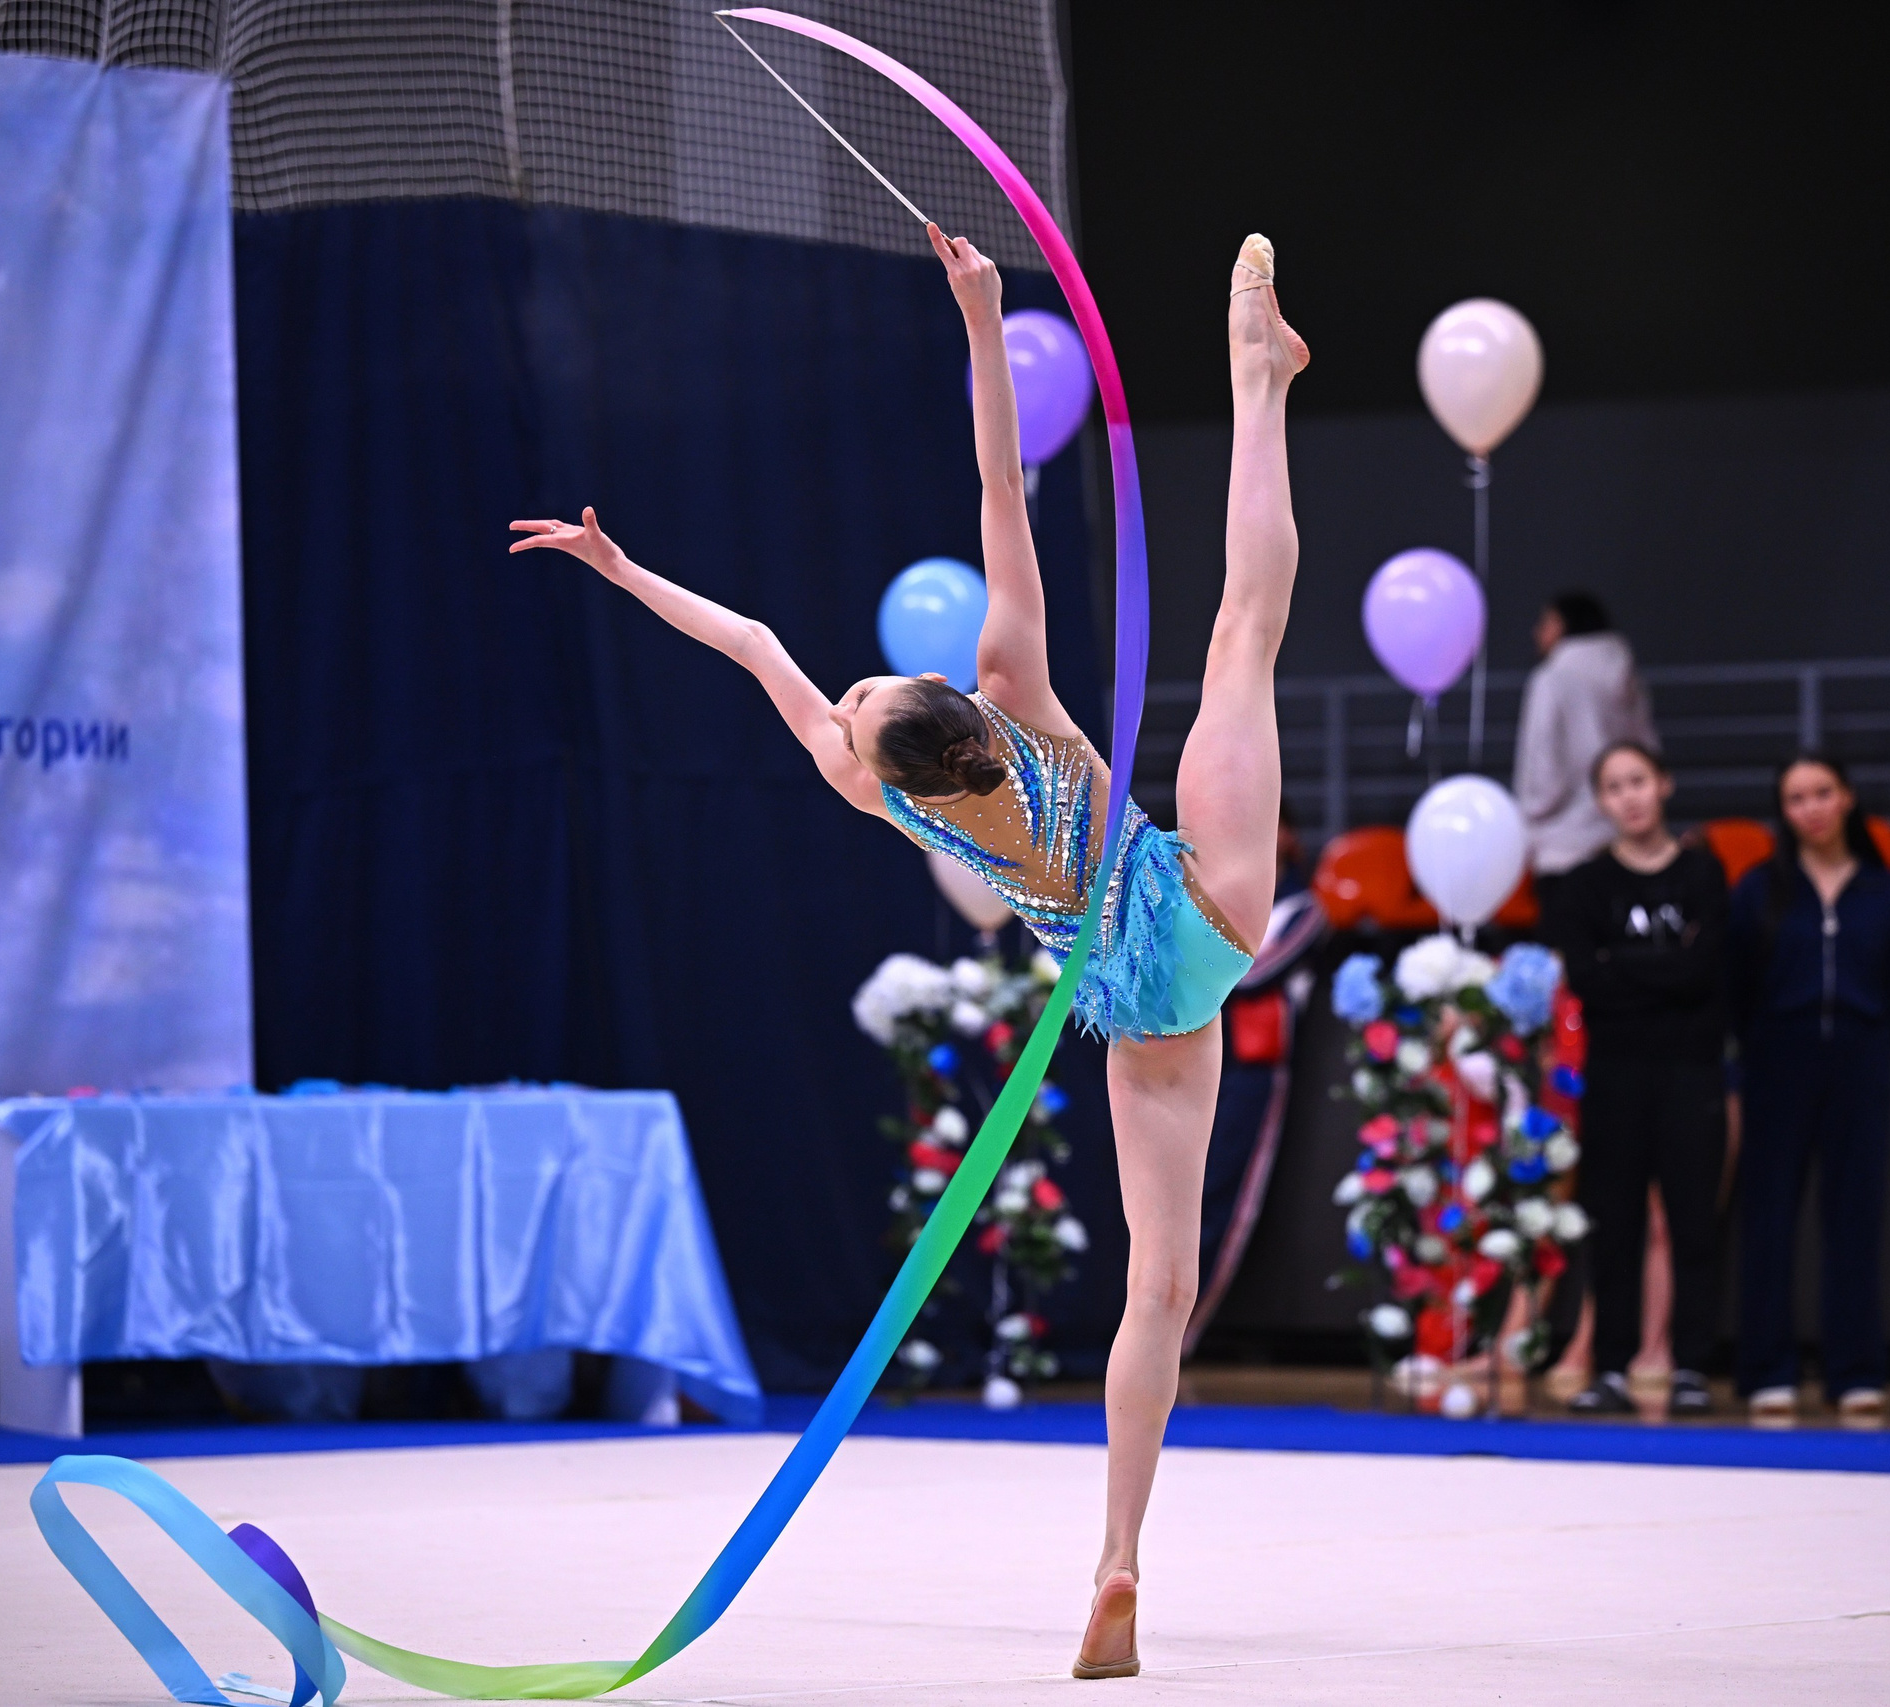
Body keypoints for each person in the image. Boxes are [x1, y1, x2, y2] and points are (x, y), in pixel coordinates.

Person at [512, 225, 1308, 1678]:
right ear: (949, 702)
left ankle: (1119, 1556)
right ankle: (1260, 382)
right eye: (874, 679)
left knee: (1158, 1287)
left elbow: (755, 641)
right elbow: (1002, 483)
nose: (855, 677)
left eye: (863, 685)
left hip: (1140, 999)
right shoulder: (1012, 691)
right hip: (1192, 897)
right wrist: (984, 307)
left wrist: (622, 573)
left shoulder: (883, 791)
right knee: (1243, 632)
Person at [1726, 753, 1890, 1419]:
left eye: (1822, 792)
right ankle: (1767, 1367)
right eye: (1796, 797)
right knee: (1770, 1216)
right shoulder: (1757, 890)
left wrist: (1863, 1039)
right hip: (1778, 1058)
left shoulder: (1883, 891)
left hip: (1859, 1061)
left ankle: (1855, 1368)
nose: (1811, 807)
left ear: (1848, 798)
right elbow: (1738, 986)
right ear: (1784, 811)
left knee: (1855, 1216)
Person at [1547, 742, 1729, 1419]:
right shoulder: (1585, 885)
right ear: (1601, 801)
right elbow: (1588, 981)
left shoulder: (1704, 874)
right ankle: (1614, 1366)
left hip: (1690, 1071)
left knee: (1689, 1222)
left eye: (1639, 781)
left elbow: (1704, 972)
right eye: (1614, 785)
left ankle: (1690, 1366)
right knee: (1614, 1221)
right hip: (1616, 1072)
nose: (1629, 795)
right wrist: (1659, 972)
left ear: (1664, 784)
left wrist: (1625, 968)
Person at [1513, 592, 1656, 917]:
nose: (1537, 632)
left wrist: (1531, 816)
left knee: (1566, 956)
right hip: (1623, 841)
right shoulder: (1628, 676)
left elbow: (1541, 768)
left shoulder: (1550, 680)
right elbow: (1648, 753)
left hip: (1563, 847)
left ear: (1564, 625)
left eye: (1544, 622)